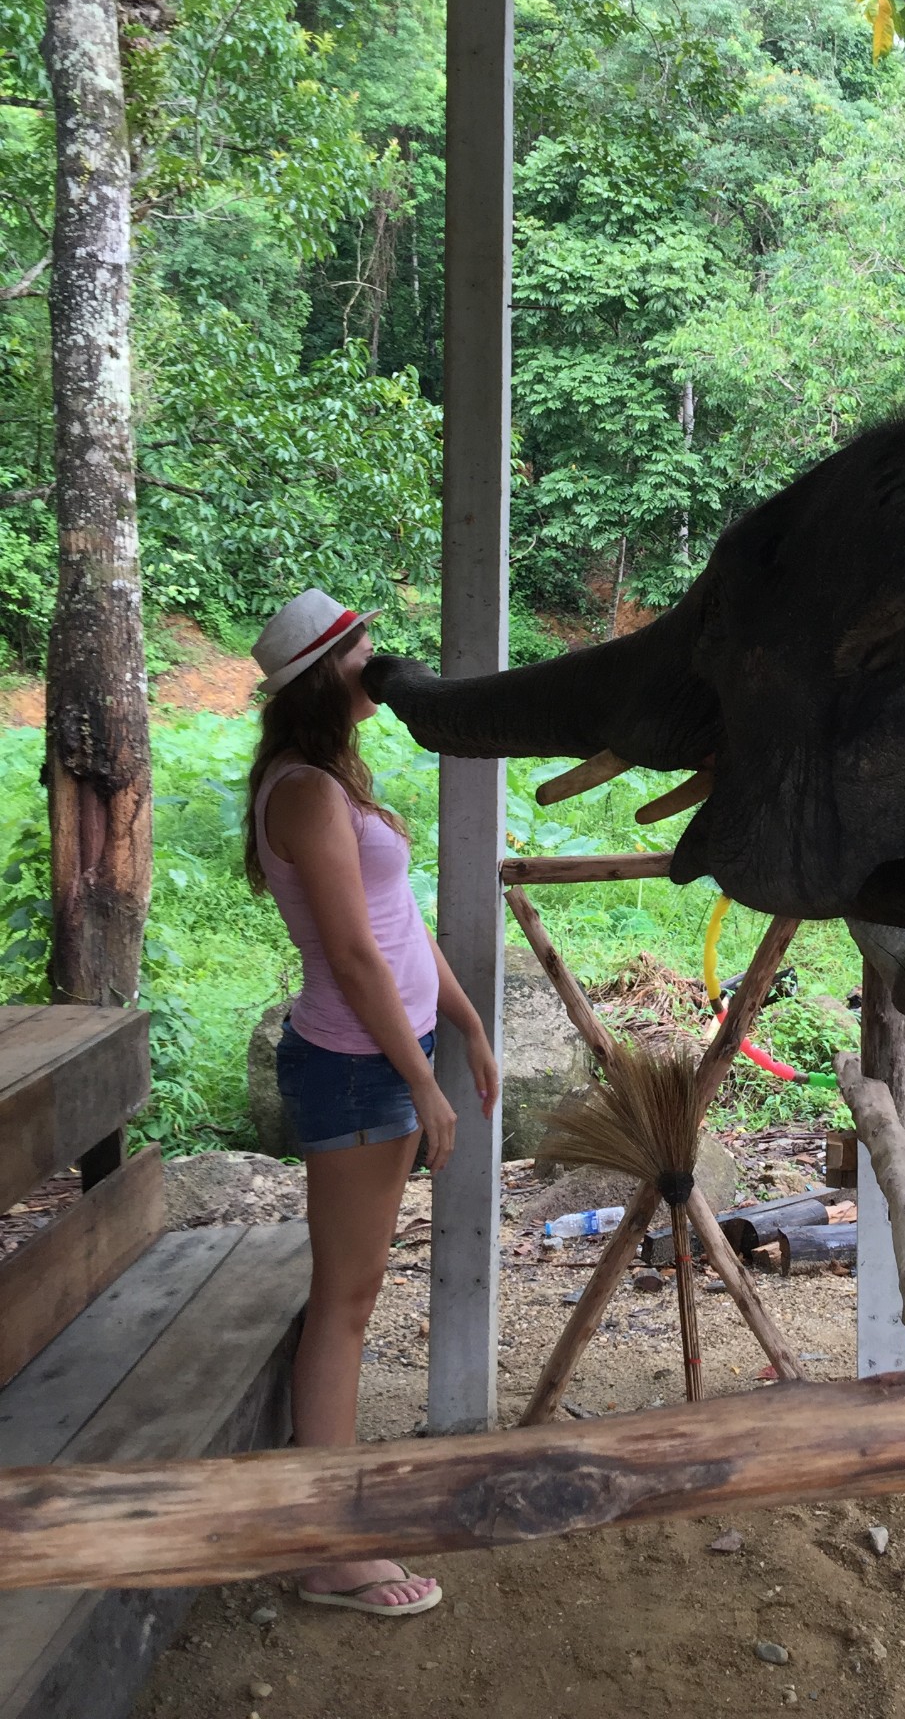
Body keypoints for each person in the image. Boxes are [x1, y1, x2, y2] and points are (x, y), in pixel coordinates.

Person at [245, 588, 498, 1617]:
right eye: (358, 651)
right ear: (323, 673)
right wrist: (423, 1078)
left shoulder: (333, 777)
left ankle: (331, 1515)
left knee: (354, 1295)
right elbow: (351, 954)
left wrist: (466, 1025)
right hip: (357, 1063)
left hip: (389, 1051)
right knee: (345, 1304)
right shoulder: (302, 792)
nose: (376, 663)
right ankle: (328, 1547)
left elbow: (397, 920)